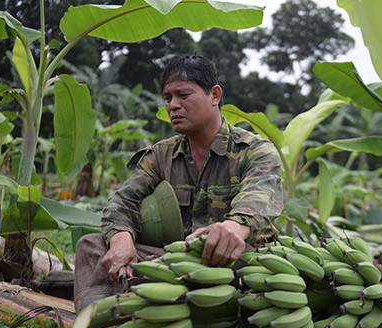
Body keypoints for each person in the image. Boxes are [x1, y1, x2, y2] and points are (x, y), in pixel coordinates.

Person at [74, 53, 283, 312]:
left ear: (215, 96)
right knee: (91, 245)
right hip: (177, 261)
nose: (172, 105)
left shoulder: (254, 150)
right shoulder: (162, 155)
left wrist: (235, 227)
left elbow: (260, 197)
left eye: (183, 96)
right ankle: (100, 321)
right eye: (168, 98)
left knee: (241, 267)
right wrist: (121, 238)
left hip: (237, 264)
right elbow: (123, 200)